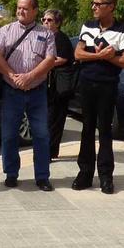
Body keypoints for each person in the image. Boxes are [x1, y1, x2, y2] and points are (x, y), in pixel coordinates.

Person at [0, 0, 58, 191]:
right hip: (12, 90)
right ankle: (11, 174)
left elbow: (50, 59)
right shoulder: (6, 30)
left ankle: (42, 176)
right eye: (19, 7)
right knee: (9, 135)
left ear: (35, 11)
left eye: (25, 8)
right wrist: (13, 76)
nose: (21, 11)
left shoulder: (46, 34)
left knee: (41, 135)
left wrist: (29, 77)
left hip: (37, 91)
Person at [72, 0, 124, 194]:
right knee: (87, 128)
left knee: (105, 130)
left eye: (98, 4)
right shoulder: (88, 26)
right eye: (93, 3)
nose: (94, 7)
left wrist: (111, 58)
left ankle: (106, 176)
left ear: (111, 7)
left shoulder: (122, 30)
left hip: (107, 85)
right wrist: (100, 56)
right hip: (87, 83)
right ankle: (85, 174)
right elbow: (78, 53)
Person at [44, 9, 76, 159]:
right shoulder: (44, 37)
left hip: (59, 86)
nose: (45, 22)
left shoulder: (61, 38)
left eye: (49, 20)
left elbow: (62, 59)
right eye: (44, 19)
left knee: (55, 118)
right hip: (48, 85)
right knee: (48, 118)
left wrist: (44, 64)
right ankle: (50, 150)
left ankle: (50, 151)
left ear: (57, 23)